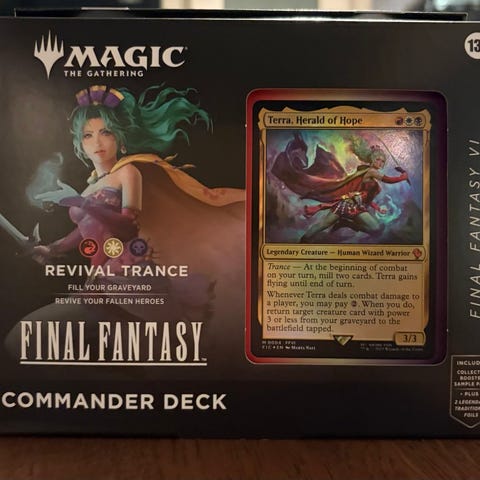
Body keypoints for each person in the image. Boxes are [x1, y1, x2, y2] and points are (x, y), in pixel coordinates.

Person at [6, 85, 245, 361]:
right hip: (101, 282)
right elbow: (86, 231)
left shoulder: (128, 173)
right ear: (80, 144)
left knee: (166, 356)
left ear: (120, 138)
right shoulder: (90, 188)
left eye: (105, 132)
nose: (97, 142)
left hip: (132, 277)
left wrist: (80, 202)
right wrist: (52, 248)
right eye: (88, 135)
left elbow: (128, 227)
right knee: (24, 341)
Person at [300, 146, 409, 242]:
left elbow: (365, 197)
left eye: (382, 161)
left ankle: (346, 223)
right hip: (347, 204)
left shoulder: (371, 177)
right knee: (324, 224)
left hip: (356, 207)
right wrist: (403, 176)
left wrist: (377, 208)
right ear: (372, 159)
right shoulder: (371, 171)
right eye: (377, 159)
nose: (380, 163)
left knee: (375, 229)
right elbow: (388, 180)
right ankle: (303, 240)